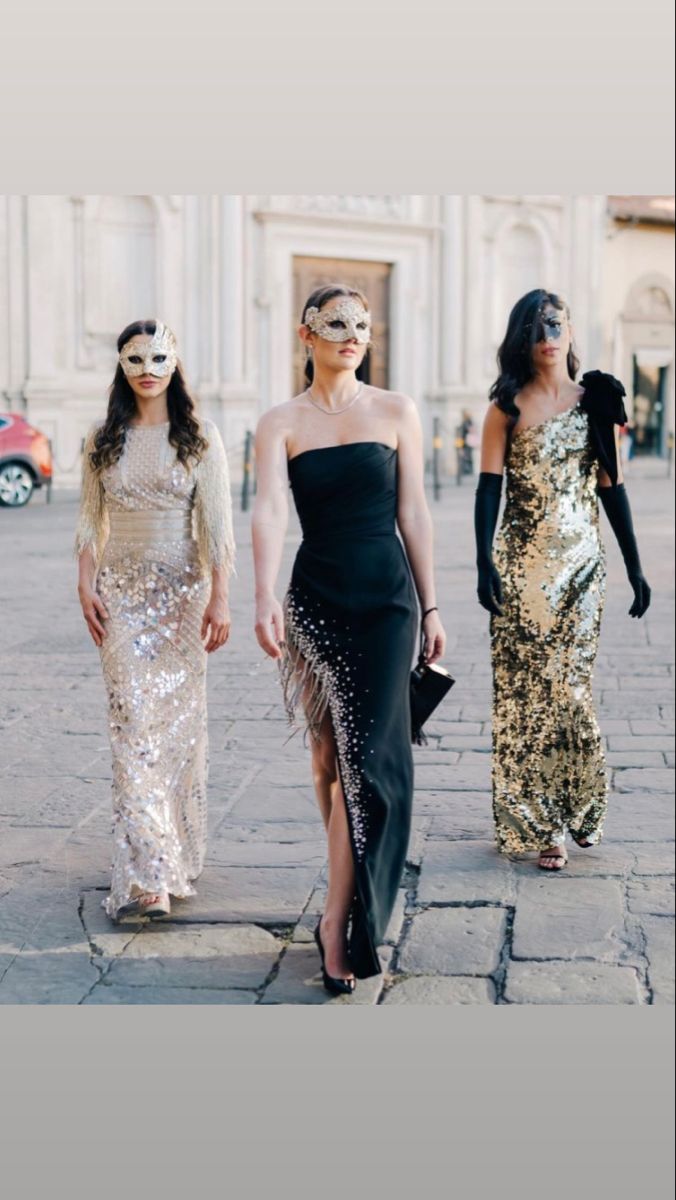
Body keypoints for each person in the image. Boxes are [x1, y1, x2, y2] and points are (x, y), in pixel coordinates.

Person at [252, 284, 446, 992]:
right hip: (318, 601)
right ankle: (348, 882)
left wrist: (432, 607)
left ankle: (339, 922)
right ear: (306, 334)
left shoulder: (397, 410)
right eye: (336, 322)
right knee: (329, 759)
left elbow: (415, 512)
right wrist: (263, 594)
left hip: (388, 604)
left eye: (362, 324)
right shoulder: (280, 421)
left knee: (368, 764)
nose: (352, 333)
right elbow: (271, 509)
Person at [474, 289, 651, 871]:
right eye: (534, 327)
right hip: (521, 569)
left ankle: (580, 808)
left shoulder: (596, 401)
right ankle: (541, 824)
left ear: (571, 331)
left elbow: (612, 487)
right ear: (522, 339)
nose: (547, 334)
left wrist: (634, 566)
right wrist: (483, 563)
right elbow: (488, 489)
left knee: (570, 690)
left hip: (581, 570)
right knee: (526, 697)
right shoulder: (506, 406)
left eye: (555, 323)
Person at [75, 319, 235, 920]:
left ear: (175, 363)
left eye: (158, 357)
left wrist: (221, 597)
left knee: (177, 730)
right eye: (136, 358)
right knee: (132, 726)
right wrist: (83, 582)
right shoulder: (101, 437)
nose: (147, 368)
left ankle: (173, 850)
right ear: (121, 365)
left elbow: (217, 527)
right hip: (120, 595)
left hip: (182, 597)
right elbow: (92, 520)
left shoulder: (199, 437)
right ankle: (146, 876)